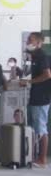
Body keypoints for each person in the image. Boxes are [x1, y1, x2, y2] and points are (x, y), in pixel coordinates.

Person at [20, 32, 51, 168]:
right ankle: (32, 155)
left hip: (42, 98)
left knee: (41, 128)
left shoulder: (42, 56)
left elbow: (47, 75)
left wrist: (30, 82)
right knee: (33, 128)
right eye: (28, 39)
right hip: (34, 96)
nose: (28, 42)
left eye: (30, 40)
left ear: (39, 43)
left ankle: (42, 159)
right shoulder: (34, 56)